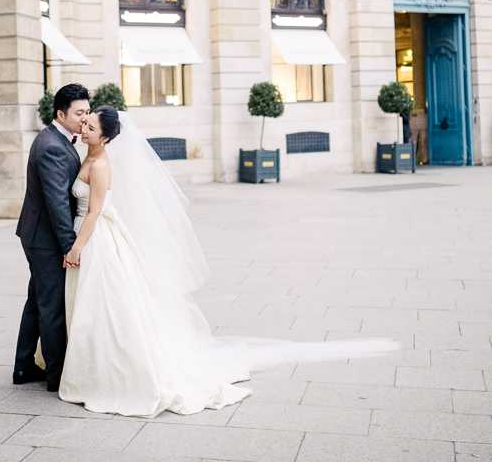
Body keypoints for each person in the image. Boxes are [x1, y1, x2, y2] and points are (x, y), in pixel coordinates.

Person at [58, 107, 399, 418]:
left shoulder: (101, 165)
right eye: (84, 122)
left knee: (108, 304)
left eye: (89, 125)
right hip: (92, 237)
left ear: (105, 136)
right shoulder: (87, 156)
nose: (84, 127)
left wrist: (77, 247)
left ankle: (115, 371)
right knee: (95, 303)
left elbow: (95, 211)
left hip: (96, 237)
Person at [13, 83, 90, 391]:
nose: (84, 118)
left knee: (37, 301)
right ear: (61, 113)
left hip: (38, 233)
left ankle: (23, 366)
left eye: (87, 111)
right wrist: (69, 246)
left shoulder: (56, 139)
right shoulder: (52, 147)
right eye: (79, 113)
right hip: (44, 238)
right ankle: (56, 376)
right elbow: (57, 202)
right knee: (52, 305)